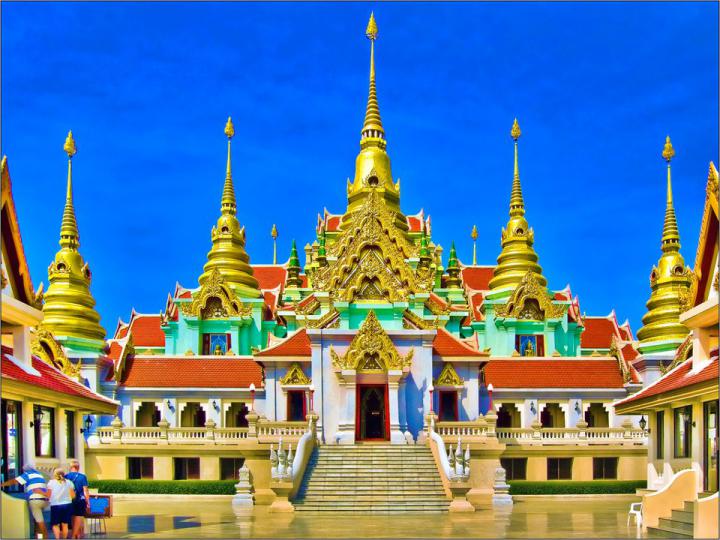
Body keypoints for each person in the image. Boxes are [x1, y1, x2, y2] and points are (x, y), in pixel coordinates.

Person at [0, 463, 49, 539]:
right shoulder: (39, 474)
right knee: (36, 520)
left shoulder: (27, 474)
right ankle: (39, 537)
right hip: (44, 499)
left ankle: (45, 537)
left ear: (25, 470)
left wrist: (2, 485)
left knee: (40, 522)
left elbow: (14, 481)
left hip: (35, 499)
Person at [46, 468, 75, 540]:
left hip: (55, 505)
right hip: (67, 505)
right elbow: (73, 495)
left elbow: (48, 495)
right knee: (65, 524)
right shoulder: (69, 482)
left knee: (55, 524)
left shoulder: (51, 483)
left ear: (54, 474)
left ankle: (57, 538)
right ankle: (64, 538)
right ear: (64, 474)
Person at [65, 460, 89, 539]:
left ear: (70, 467)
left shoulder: (66, 476)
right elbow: (85, 490)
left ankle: (76, 534)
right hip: (80, 499)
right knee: (78, 516)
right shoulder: (82, 477)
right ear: (78, 467)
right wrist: (87, 501)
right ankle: (73, 535)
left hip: (69, 499)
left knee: (72, 516)